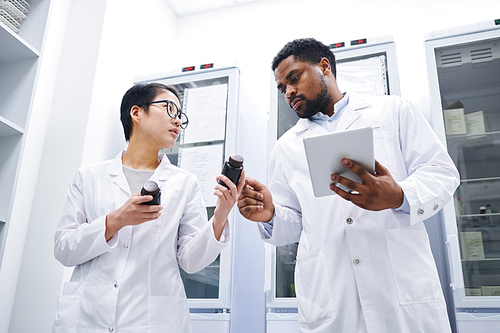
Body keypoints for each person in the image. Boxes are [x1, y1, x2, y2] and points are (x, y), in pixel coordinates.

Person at [237, 38, 459, 333]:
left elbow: (442, 172)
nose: (289, 92)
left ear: (324, 67)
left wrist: (399, 196)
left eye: (294, 78)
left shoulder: (392, 111)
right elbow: (295, 223)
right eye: (283, 88)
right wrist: (270, 214)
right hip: (332, 301)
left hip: (400, 291)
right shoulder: (285, 148)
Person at [52, 82, 244, 332]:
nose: (178, 122)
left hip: (152, 321)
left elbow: (191, 261)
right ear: (136, 113)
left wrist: (221, 215)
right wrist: (115, 221)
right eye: (170, 109)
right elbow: (64, 248)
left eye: (181, 116)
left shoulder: (184, 183)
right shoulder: (88, 177)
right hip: (87, 317)